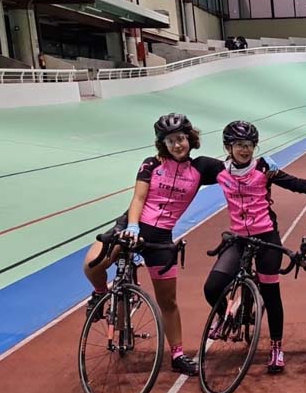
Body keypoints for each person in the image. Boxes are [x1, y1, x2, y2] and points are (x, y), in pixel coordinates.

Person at [82, 113, 224, 376]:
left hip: (161, 239)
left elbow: (236, 169)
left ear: (189, 139)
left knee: (167, 301)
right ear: (163, 145)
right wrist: (132, 227)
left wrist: (261, 166)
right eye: (170, 141)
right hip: (132, 227)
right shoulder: (150, 164)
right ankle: (102, 293)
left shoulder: (201, 168)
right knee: (92, 265)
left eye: (180, 139)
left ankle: (178, 355)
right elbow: (138, 198)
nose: (177, 145)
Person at [202, 120, 306, 373]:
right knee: (212, 287)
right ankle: (225, 314)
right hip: (238, 239)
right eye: (239, 145)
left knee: (271, 295)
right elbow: (183, 170)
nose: (245, 150)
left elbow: (297, 184)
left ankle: (276, 347)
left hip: (266, 237)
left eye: (249, 145)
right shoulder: (218, 170)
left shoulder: (264, 169)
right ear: (228, 147)